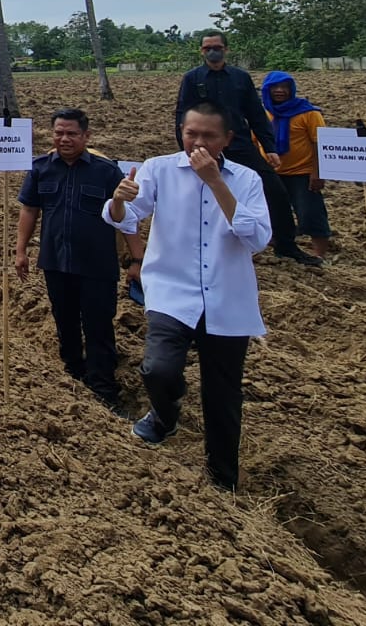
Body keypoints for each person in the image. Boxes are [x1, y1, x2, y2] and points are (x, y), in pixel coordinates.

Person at [108, 103, 271, 491]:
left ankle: (222, 479)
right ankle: (165, 416)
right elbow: (126, 215)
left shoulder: (246, 179)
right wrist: (118, 198)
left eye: (208, 136)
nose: (197, 142)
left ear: (228, 139)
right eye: (190, 134)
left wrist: (216, 182)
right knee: (158, 370)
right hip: (171, 292)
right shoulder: (159, 169)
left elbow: (257, 239)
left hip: (226, 300)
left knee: (223, 396)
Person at [15, 110, 139, 410]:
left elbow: (127, 219)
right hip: (56, 262)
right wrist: (20, 250)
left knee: (98, 327)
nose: (64, 139)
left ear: (86, 136)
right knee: (65, 322)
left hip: (97, 266)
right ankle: (72, 374)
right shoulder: (41, 168)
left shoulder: (107, 171)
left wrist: (136, 260)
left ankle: (103, 390)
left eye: (71, 134)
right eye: (59, 133)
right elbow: (30, 210)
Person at [176, 33, 317, 267]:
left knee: (275, 192)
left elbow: (255, 112)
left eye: (217, 47)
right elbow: (182, 115)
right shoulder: (192, 79)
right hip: (206, 148)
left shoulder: (240, 78)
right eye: (208, 48)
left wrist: (269, 147)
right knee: (200, 196)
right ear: (201, 51)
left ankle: (285, 245)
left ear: (226, 50)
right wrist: (187, 151)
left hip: (240, 144)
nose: (213, 51)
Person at [259, 71, 331, 259]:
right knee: (273, 212)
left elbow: (319, 143)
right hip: (271, 173)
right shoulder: (261, 113)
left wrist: (317, 172)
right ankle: (278, 248)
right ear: (267, 90)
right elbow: (254, 141)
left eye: (285, 87)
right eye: (275, 87)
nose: (280, 91)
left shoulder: (309, 113)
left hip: (302, 173)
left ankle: (320, 254)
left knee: (310, 213)